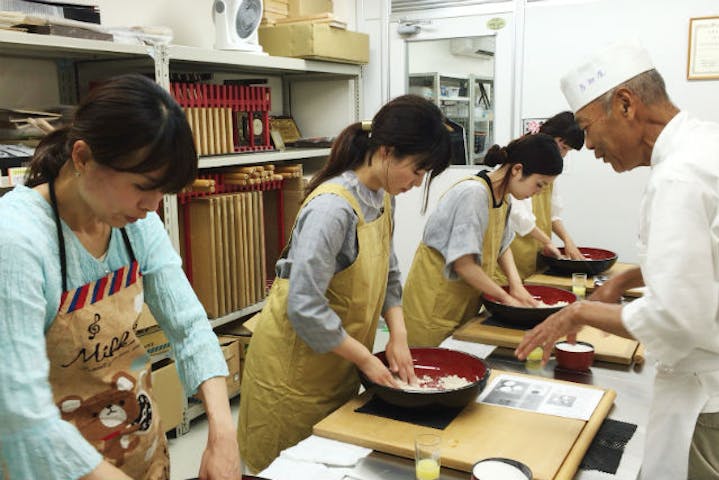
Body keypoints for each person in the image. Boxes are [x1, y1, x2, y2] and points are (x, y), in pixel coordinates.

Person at [0, 74, 241, 480]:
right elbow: (23, 412)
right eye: (142, 187)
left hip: (138, 451)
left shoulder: (134, 224)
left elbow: (188, 327)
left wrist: (222, 433)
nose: (152, 206)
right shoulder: (19, 241)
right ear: (81, 157)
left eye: (162, 191)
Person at [514, 39, 719, 479]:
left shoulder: (679, 177)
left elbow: (679, 316)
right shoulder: (704, 145)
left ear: (625, 104)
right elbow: (707, 263)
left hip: (709, 395)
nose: (587, 146)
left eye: (587, 128)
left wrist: (582, 311)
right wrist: (626, 283)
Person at [237, 94, 452, 473]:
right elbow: (304, 305)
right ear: (386, 152)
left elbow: (389, 272)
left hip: (337, 363)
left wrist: (398, 335)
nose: (417, 183)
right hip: (291, 374)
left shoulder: (384, 199)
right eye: (417, 170)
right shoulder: (332, 209)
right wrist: (367, 359)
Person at [403, 133, 564, 347]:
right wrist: (506, 299)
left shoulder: (503, 197)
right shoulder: (473, 194)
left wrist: (515, 286)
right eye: (539, 184)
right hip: (433, 307)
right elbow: (464, 264)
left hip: (460, 303)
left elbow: (502, 245)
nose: (537, 193)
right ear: (517, 170)